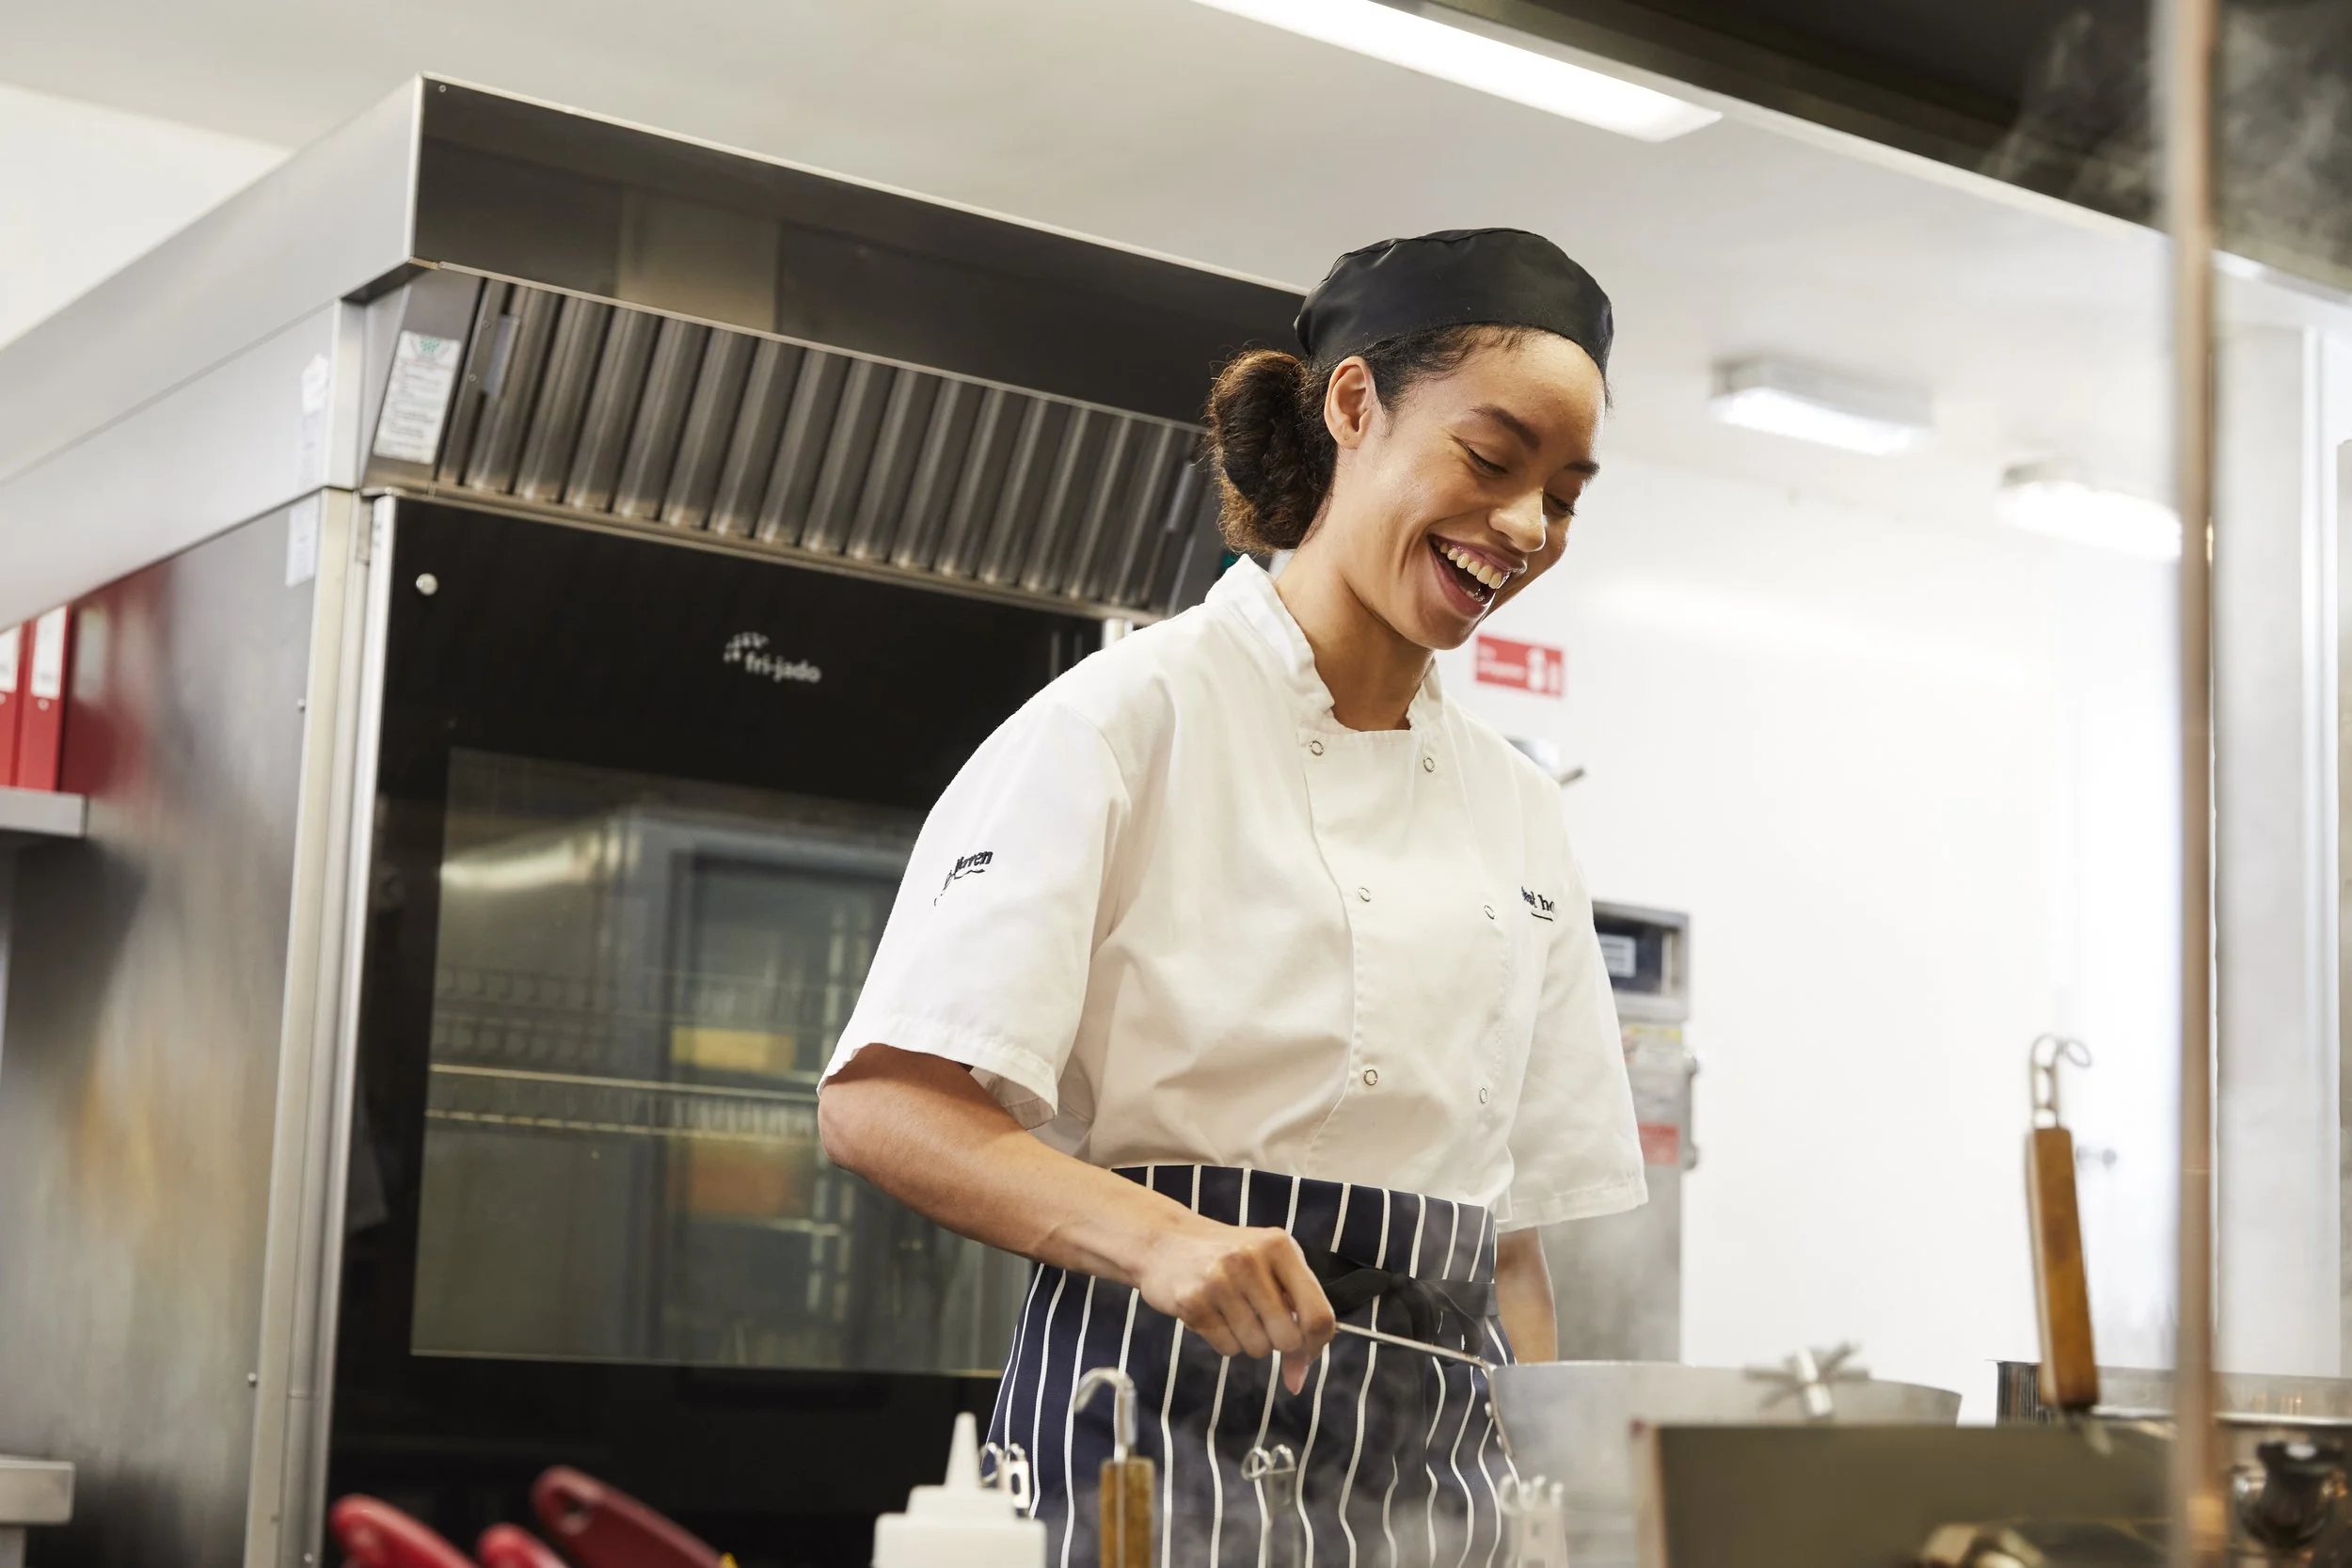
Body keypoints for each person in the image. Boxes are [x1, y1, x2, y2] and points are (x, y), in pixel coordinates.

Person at [818, 228, 1645, 1568]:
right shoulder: (1118, 725)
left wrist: (1559, 1521)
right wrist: (1162, 1239)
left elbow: (1507, 1249)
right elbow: (881, 1102)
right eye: (1492, 462)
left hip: (1442, 1495)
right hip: (1147, 1454)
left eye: (1563, 494)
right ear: (1355, 404)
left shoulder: (1519, 808)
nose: (1524, 528)